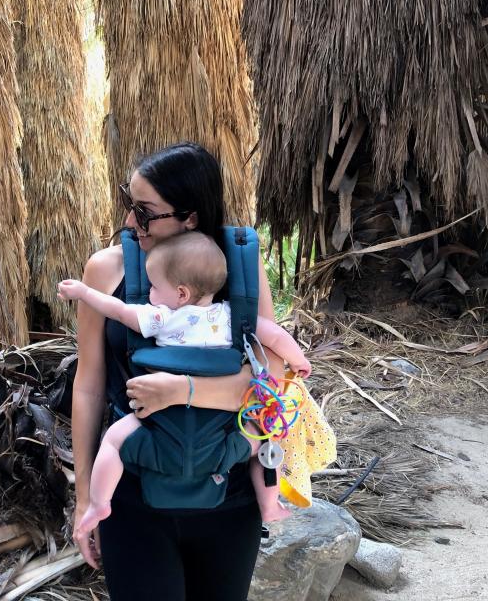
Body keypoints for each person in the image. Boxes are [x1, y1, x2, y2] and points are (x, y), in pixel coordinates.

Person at [71, 142, 304, 601]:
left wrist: (182, 390)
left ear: (190, 218)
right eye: (129, 203)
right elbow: (89, 385)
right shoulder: (105, 270)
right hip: (133, 492)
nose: (130, 222)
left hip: (230, 487)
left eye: (145, 211)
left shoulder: (239, 264)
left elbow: (267, 383)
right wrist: (84, 497)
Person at [58, 230, 311, 532]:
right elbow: (274, 335)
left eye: (154, 286)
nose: (149, 293)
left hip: (161, 423)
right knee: (265, 440)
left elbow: (120, 311)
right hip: (220, 430)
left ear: (180, 294)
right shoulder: (230, 318)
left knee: (113, 442)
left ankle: (100, 503)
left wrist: (84, 293)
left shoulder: (163, 318)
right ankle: (269, 503)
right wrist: (299, 361)